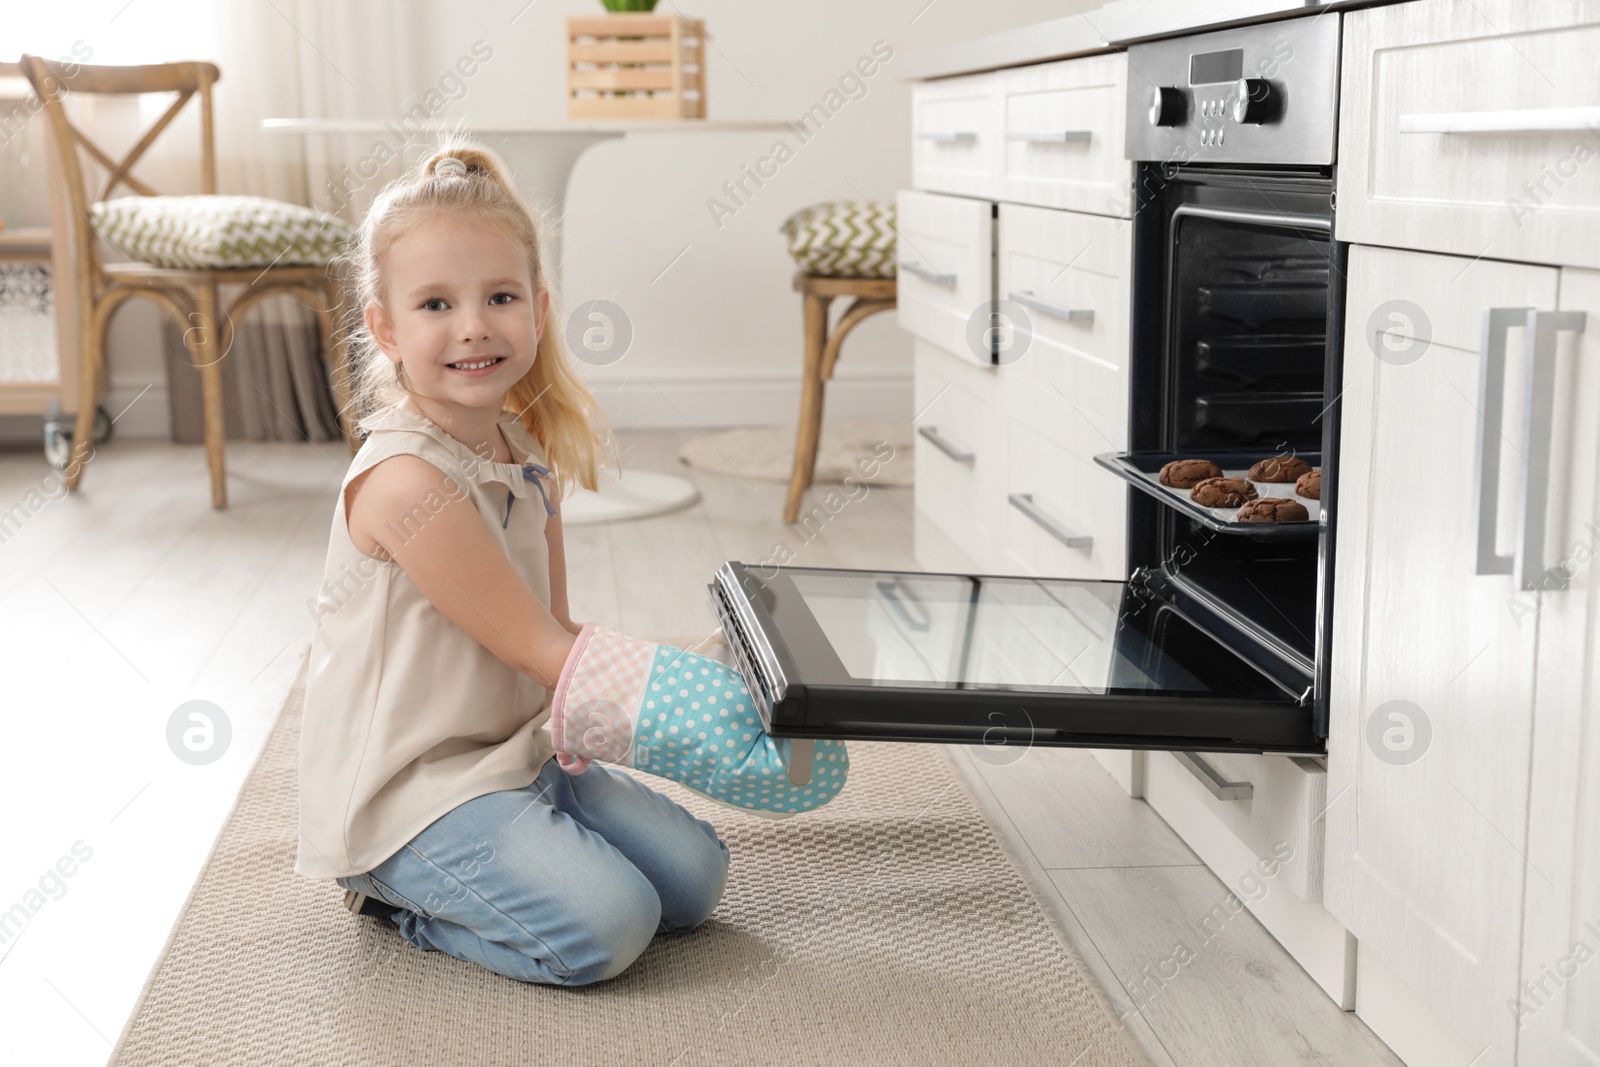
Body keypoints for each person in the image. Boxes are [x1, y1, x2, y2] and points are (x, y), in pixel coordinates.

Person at [292, 141, 844, 988]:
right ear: (386, 329)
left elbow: (559, 631)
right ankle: (394, 895)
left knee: (694, 885)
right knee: (612, 929)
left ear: (539, 311)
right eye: (437, 303)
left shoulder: (523, 452)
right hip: (416, 793)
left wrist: (714, 663)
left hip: (518, 753)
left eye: (500, 297)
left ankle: (531, 830)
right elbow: (538, 652)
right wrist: (702, 698)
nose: (474, 324)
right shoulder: (408, 483)